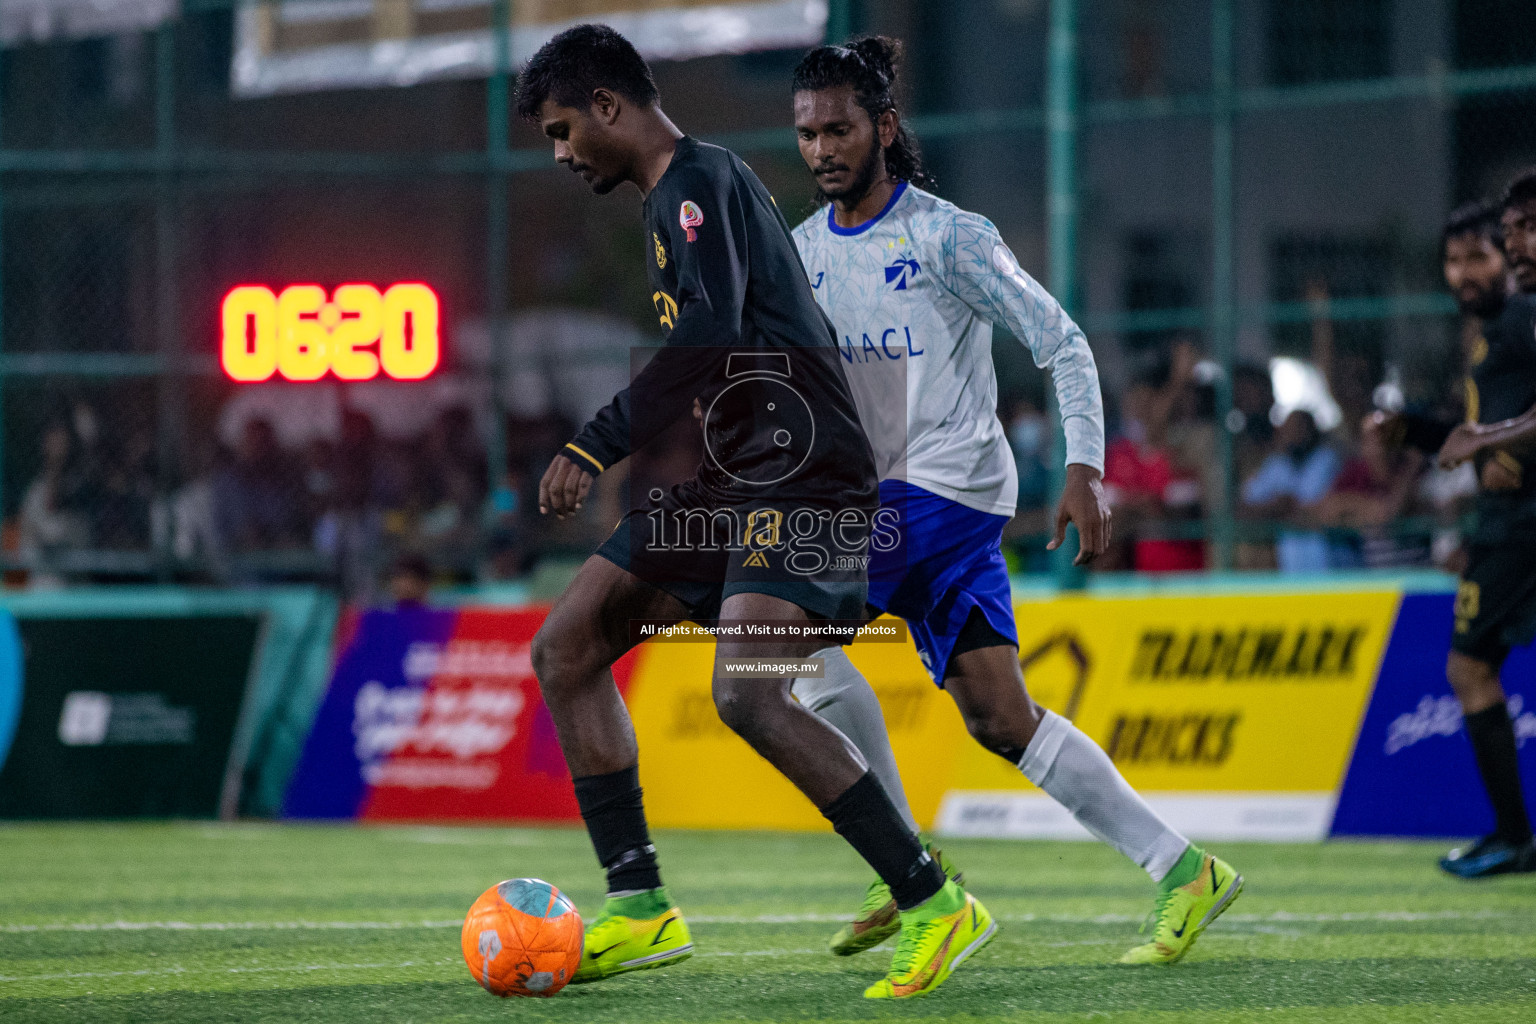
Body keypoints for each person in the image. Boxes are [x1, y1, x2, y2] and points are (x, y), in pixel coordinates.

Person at [514, 25, 992, 1000]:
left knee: (748, 693)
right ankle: (640, 903)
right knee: (565, 648)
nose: (560, 153)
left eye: (565, 129)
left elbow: (710, 334)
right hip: (738, 478)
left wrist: (595, 438)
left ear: (609, 106)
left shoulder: (698, 185)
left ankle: (933, 900)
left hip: (805, 472)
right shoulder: (672, 201)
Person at [787, 37, 1241, 967]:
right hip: (900, 502)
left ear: (884, 127)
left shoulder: (950, 234)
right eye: (807, 133)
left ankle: (905, 867)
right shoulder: (802, 253)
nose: (823, 148)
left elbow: (1063, 343)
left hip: (943, 491)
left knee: (776, 633)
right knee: (1001, 718)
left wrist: (1084, 470)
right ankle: (1185, 871)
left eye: (840, 128)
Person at [1372, 194, 1536, 876]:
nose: (1464, 271)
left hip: (1521, 528)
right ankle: (1511, 835)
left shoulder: (1523, 317)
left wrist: (1504, 449)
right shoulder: (1498, 329)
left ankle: (1511, 836)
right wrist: (1411, 427)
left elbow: (1500, 441)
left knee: (1469, 668)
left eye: (1480, 254)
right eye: (1453, 259)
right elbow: (1477, 440)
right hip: (1505, 526)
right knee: (1471, 669)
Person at [1239, 409, 1343, 571]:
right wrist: (1275, 507)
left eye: (1300, 428)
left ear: (1312, 430)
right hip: (1287, 555)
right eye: (1289, 430)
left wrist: (1292, 507)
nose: (1295, 435)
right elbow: (1247, 505)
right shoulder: (1277, 464)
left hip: (1327, 554)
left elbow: (1327, 508)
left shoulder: (1327, 459)